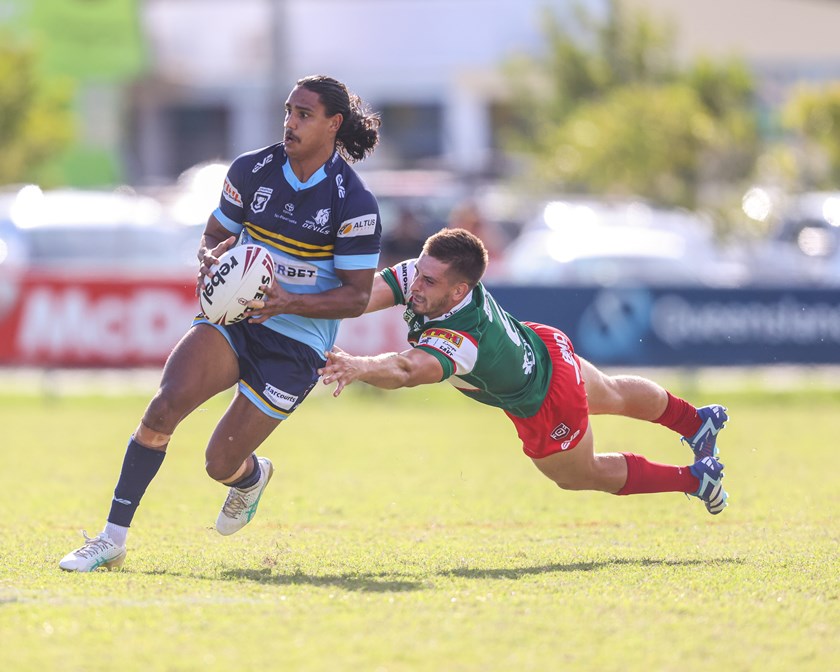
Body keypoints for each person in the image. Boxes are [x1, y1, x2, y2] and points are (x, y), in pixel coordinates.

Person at [60, 75, 383, 572]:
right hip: (234, 319)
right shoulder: (253, 168)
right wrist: (212, 260)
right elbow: (216, 234)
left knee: (219, 464)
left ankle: (249, 478)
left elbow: (358, 296)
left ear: (333, 124)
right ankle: (111, 539)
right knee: (163, 409)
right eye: (288, 111)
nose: (290, 123)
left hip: (296, 344)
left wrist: (288, 302)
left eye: (304, 115)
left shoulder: (354, 202)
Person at [318, 228, 729, 514]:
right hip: (543, 345)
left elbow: (408, 369)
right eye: (418, 274)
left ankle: (696, 480)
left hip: (543, 400)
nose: (416, 286)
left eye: (427, 281)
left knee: (579, 475)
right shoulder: (430, 274)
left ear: (459, 291)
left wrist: (357, 365)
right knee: (615, 393)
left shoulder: (463, 339)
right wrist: (306, 306)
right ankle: (696, 421)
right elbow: (363, 296)